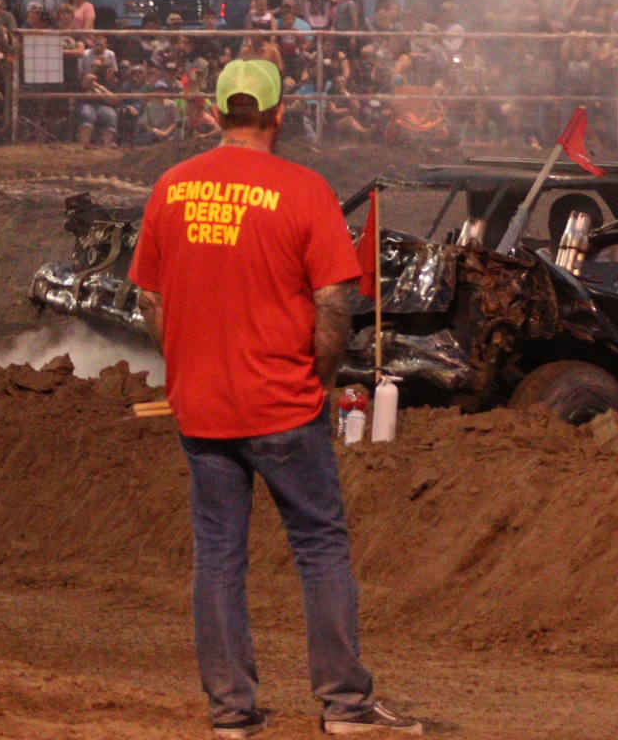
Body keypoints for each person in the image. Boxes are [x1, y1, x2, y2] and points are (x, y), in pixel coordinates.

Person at [129, 59, 425, 738]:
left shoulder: (171, 187)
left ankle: (232, 712)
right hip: (284, 403)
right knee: (319, 546)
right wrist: (318, 377)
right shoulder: (303, 190)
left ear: (213, 111)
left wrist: (184, 364)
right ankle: (346, 706)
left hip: (202, 405)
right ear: (278, 113)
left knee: (218, 553)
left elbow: (149, 295)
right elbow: (335, 302)